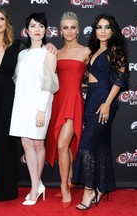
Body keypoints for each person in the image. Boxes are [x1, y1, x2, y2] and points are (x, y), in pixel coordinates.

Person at [0, 7, 56, 202]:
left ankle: (10, 188)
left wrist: (50, 47)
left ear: (7, 23)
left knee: (4, 144)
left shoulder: (18, 46)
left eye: (2, 19)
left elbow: (37, 50)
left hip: (8, 97)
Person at [72, 14, 129, 210]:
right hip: (91, 102)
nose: (102, 30)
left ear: (113, 31)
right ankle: (102, 187)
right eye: (99, 27)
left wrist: (107, 103)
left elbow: (120, 79)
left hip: (104, 103)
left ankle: (89, 191)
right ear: (95, 30)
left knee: (86, 145)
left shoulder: (115, 50)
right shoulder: (96, 51)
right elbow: (93, 78)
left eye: (106, 27)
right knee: (101, 146)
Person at [9, 12, 57, 206]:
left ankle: (36, 187)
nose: (37, 30)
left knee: (38, 144)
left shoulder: (50, 53)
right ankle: (36, 183)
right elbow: (17, 80)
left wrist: (41, 109)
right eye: (34, 26)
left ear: (46, 30)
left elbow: (49, 83)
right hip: (21, 104)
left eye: (41, 26)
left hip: (40, 104)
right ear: (27, 30)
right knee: (26, 143)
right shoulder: (21, 54)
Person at [45, 12, 90, 208]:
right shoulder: (57, 53)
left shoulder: (87, 51)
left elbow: (97, 77)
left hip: (74, 102)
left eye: (73, 27)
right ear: (60, 30)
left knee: (63, 145)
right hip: (57, 101)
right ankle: (70, 179)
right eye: (66, 28)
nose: (69, 31)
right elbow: (50, 79)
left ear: (78, 29)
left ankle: (63, 186)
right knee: (65, 144)